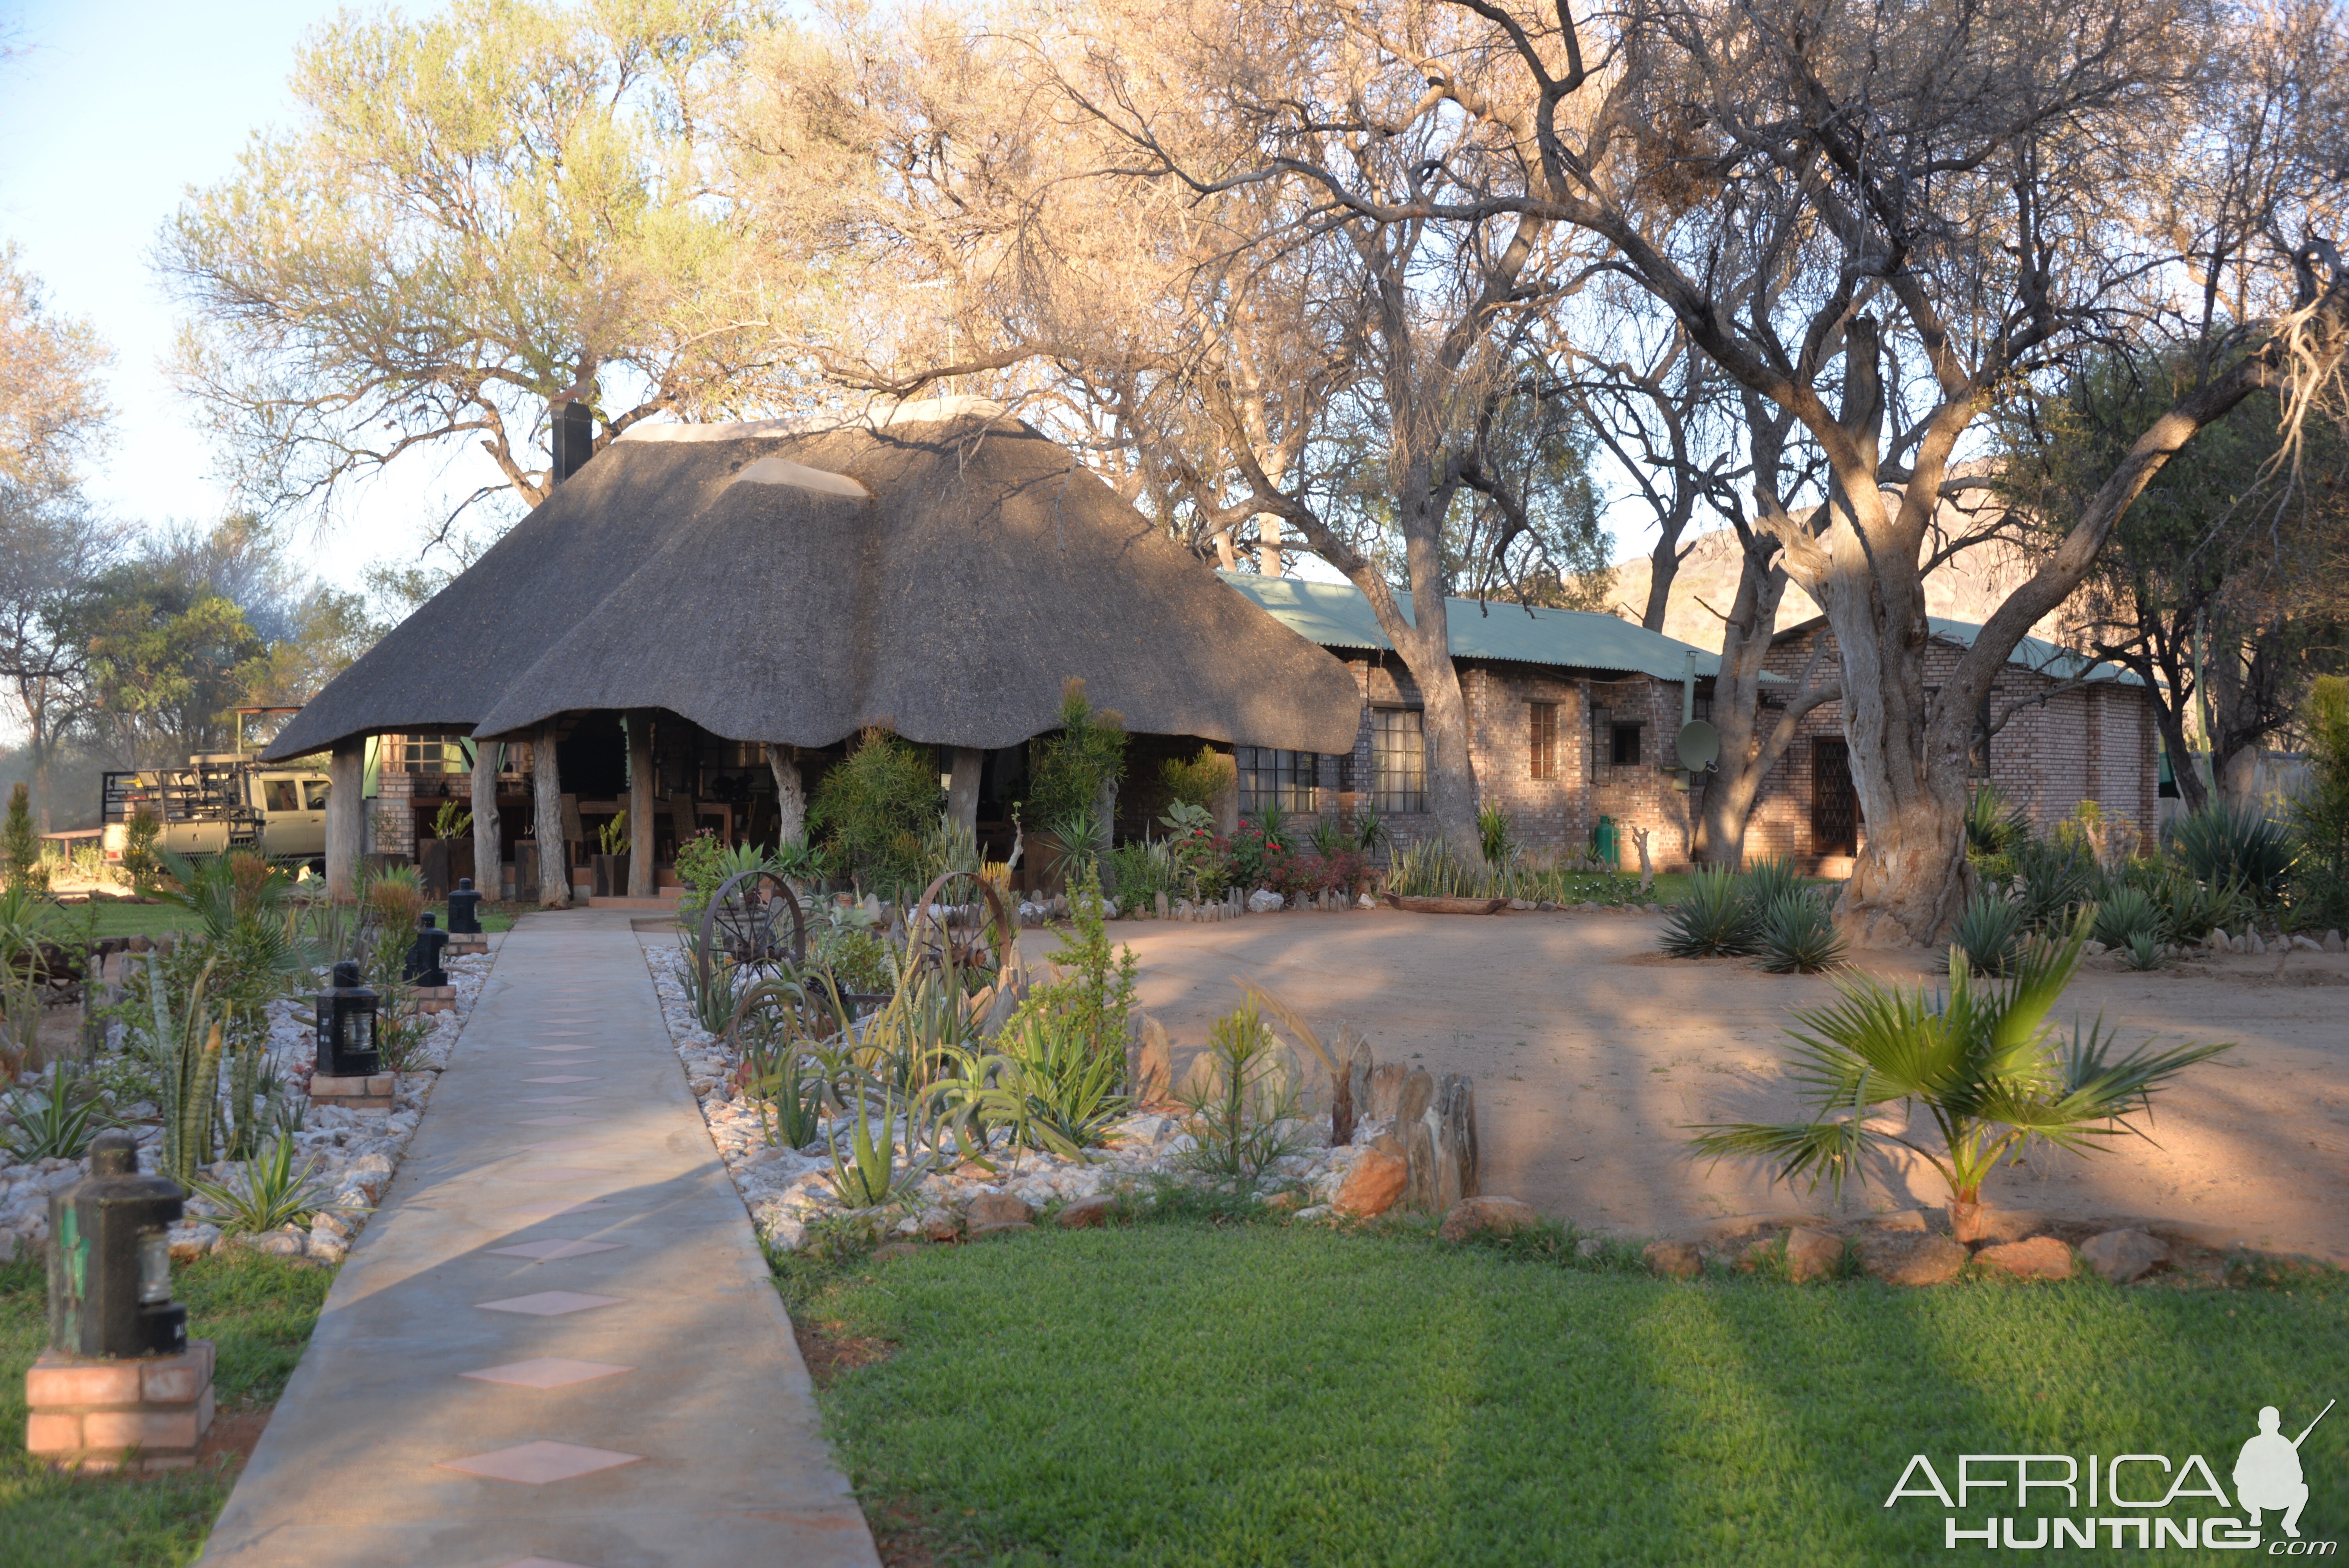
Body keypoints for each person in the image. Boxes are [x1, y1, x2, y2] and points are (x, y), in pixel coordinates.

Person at [2234, 1406, 2310, 1538]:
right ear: (2260, 1424)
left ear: (2278, 1424)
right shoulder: (2252, 1445)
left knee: (2303, 1490)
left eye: (2273, 1423)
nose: (2269, 1426)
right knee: (2243, 1489)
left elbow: (2299, 1476)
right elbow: (2238, 1474)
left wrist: (2282, 1475)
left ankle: (2289, 1523)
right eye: (2266, 1422)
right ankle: (2255, 1513)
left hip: (2280, 1495)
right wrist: (2257, 1476)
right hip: (2257, 1495)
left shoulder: (2286, 1445)